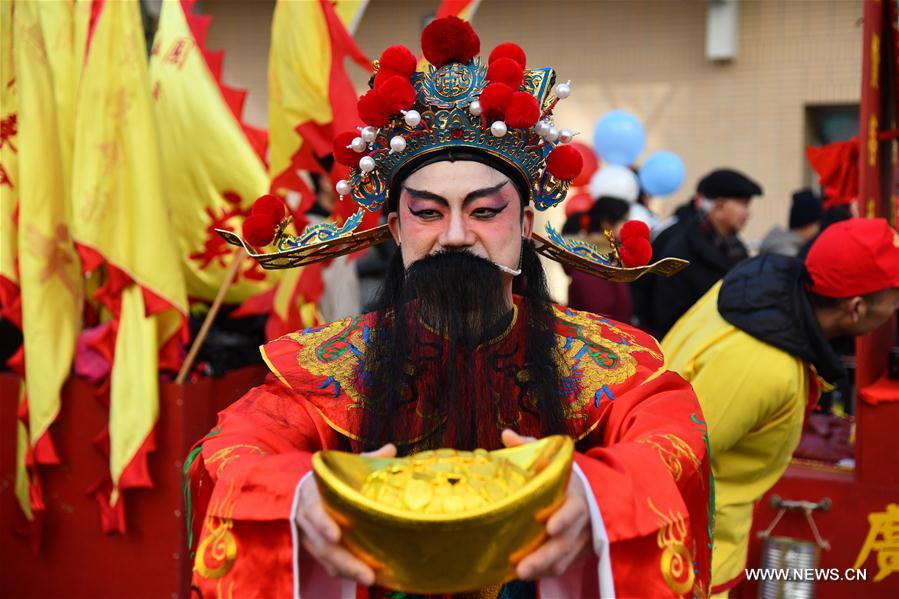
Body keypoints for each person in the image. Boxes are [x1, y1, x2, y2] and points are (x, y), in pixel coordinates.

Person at [186, 18, 712, 598]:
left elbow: (670, 439)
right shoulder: (332, 364)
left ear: (526, 224)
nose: (456, 235)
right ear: (396, 229)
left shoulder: (606, 362)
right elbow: (234, 450)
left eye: (484, 211)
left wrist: (596, 496)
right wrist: (297, 495)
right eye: (429, 213)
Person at [661, 218, 899, 596]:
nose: (895, 309)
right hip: (683, 562)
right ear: (856, 308)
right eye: (894, 298)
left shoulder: (749, 294)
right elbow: (666, 462)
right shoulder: (767, 366)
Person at [639, 168, 762, 338]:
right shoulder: (679, 248)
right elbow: (666, 314)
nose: (748, 213)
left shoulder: (736, 248)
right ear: (719, 206)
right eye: (743, 204)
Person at [563, 195, 633, 321]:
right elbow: (598, 316)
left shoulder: (601, 258)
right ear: (607, 223)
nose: (628, 226)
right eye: (624, 220)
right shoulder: (594, 262)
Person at [758, 188, 822, 257]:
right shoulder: (789, 254)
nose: (819, 229)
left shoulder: (782, 245)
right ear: (807, 225)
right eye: (817, 224)